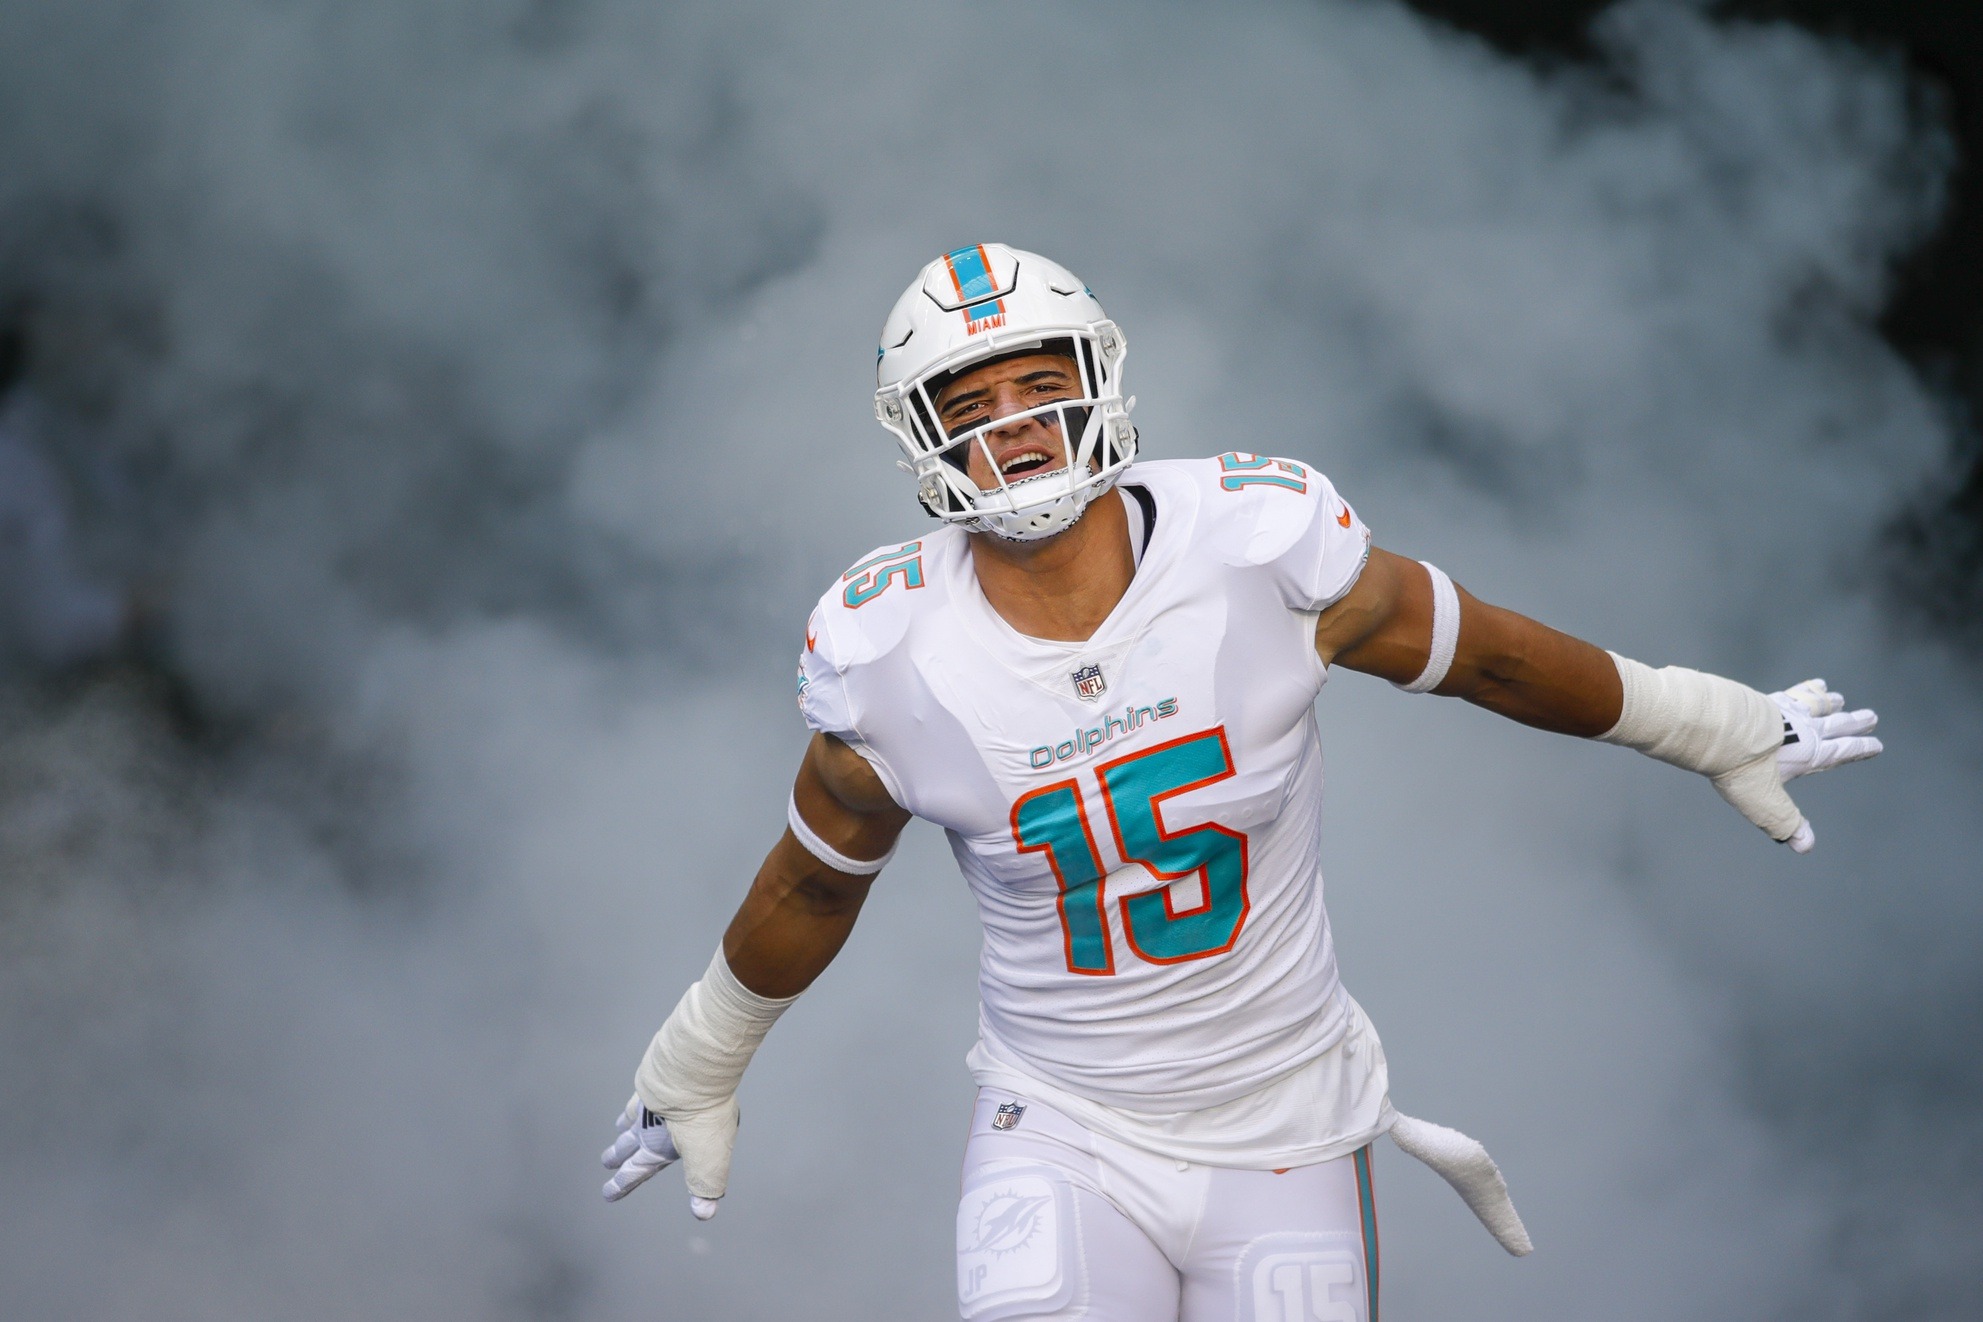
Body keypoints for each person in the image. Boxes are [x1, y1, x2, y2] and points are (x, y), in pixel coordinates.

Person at [600, 244, 1882, 1321]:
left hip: (1287, 1118)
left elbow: (1484, 656)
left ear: (1102, 382)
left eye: (1042, 387)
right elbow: (816, 882)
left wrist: (1701, 719)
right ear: (924, 441)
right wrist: (702, 1056)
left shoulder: (1258, 545)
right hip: (1060, 1119)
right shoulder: (888, 653)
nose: (1017, 430)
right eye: (972, 406)